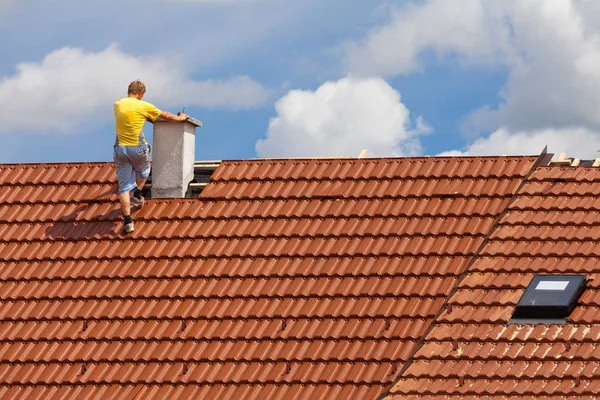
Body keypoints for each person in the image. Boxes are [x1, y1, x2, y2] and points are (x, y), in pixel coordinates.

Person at [114, 80, 189, 233]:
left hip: (120, 149)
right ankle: (137, 194)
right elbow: (166, 115)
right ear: (140, 93)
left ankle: (128, 221)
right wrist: (181, 118)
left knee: (123, 187)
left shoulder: (118, 104)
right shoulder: (144, 105)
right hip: (138, 149)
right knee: (144, 171)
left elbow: (131, 116)